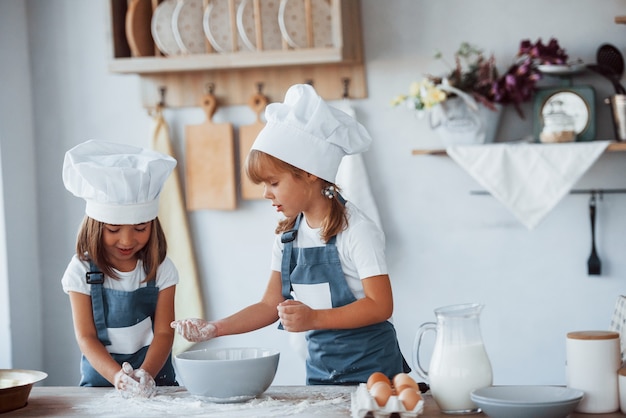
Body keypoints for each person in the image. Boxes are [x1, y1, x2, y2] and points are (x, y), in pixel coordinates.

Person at [171, 84, 410, 385]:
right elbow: (270, 304)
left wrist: (315, 319)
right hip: (321, 375)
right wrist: (215, 329)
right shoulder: (288, 237)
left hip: (376, 376)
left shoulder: (357, 231)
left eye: (273, 182)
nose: (266, 194)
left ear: (309, 172)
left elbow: (380, 305)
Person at [61, 140, 179, 397]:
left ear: (153, 225)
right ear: (95, 226)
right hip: (101, 386)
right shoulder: (80, 271)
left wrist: (145, 374)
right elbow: (86, 337)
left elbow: (163, 332)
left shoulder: (162, 269)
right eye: (113, 230)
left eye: (140, 228)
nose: (127, 241)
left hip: (157, 384)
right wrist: (118, 377)